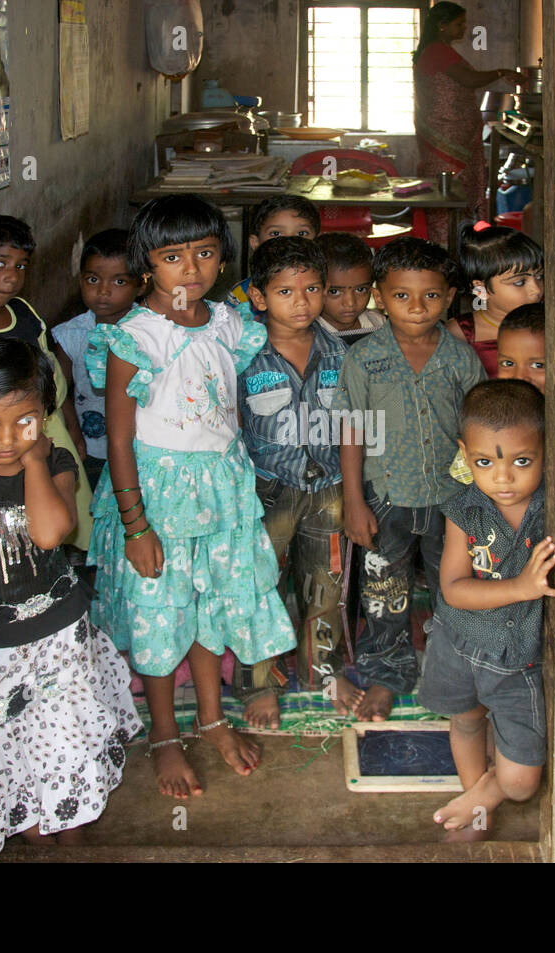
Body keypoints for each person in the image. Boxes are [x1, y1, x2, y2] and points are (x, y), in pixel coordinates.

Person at [85, 195, 296, 798]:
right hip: (156, 497)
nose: (192, 269)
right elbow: (120, 440)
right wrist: (135, 525)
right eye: (173, 257)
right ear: (147, 264)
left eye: (205, 253)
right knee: (159, 614)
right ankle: (163, 736)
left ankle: (211, 720)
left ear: (223, 258)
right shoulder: (135, 337)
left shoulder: (230, 325)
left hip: (223, 489)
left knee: (210, 607)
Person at [0, 338, 141, 863]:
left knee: (61, 739)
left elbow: (52, 531)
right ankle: (29, 825)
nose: (8, 439)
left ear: (46, 416)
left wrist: (34, 459)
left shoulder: (54, 464)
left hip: (55, 633)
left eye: (25, 422)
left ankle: (70, 832)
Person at [332, 236, 485, 722]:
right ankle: (386, 675)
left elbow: (479, 430)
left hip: (452, 500)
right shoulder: (364, 358)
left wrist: (482, 496)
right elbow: (351, 431)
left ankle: (453, 673)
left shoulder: (461, 360)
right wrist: (354, 501)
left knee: (454, 588)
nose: (417, 307)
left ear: (451, 296)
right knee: (383, 593)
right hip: (386, 498)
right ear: (380, 295)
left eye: (431, 296)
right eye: (402, 295)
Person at [230, 237, 364, 728]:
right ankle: (259, 682)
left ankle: (322, 670)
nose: (303, 301)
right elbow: (227, 425)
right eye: (286, 291)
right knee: (259, 586)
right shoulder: (242, 354)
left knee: (325, 587)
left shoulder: (340, 352)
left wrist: (354, 496)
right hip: (265, 492)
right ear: (259, 298)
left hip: (328, 489)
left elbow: (354, 424)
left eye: (312, 289)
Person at [420, 379, 555, 835]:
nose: (503, 478)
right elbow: (454, 589)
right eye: (485, 462)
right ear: (465, 454)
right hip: (457, 643)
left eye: (522, 461)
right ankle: (476, 805)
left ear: (547, 450)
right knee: (464, 722)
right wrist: (521, 587)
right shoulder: (464, 510)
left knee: (520, 783)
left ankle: (486, 793)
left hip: (520, 661)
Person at [0, 214, 94, 550]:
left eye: (20, 266)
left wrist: (71, 426)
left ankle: (73, 557)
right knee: (22, 515)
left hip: (51, 426)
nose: (11, 277)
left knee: (72, 504)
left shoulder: (24, 312)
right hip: (7, 443)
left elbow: (53, 376)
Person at [413, 2, 523, 246]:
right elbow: (469, 79)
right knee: (448, 195)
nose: (464, 28)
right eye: (459, 23)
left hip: (449, 134)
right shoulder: (437, 51)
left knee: (454, 194)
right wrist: (501, 72)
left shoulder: (440, 49)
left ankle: (460, 246)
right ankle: (447, 248)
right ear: (442, 25)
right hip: (445, 135)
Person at [51, 229, 143, 493]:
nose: (103, 291)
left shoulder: (150, 330)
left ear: (141, 284)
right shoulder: (72, 334)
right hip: (89, 447)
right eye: (93, 279)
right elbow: (59, 390)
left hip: (140, 445)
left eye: (119, 282)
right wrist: (73, 432)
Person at [449, 302, 546, 484]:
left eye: (538, 365)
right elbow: (463, 485)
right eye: (508, 364)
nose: (520, 376)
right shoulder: (487, 418)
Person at [446, 223, 544, 377]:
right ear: (481, 289)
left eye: (539, 277)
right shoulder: (460, 333)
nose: (537, 290)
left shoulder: (550, 323)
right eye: (519, 282)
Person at [226, 195, 321, 313]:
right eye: (276, 233)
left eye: (301, 233)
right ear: (255, 243)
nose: (288, 242)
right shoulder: (241, 294)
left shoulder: (325, 288)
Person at [314, 231, 386, 347]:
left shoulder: (379, 324)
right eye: (334, 292)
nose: (350, 303)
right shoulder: (309, 334)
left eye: (360, 290)